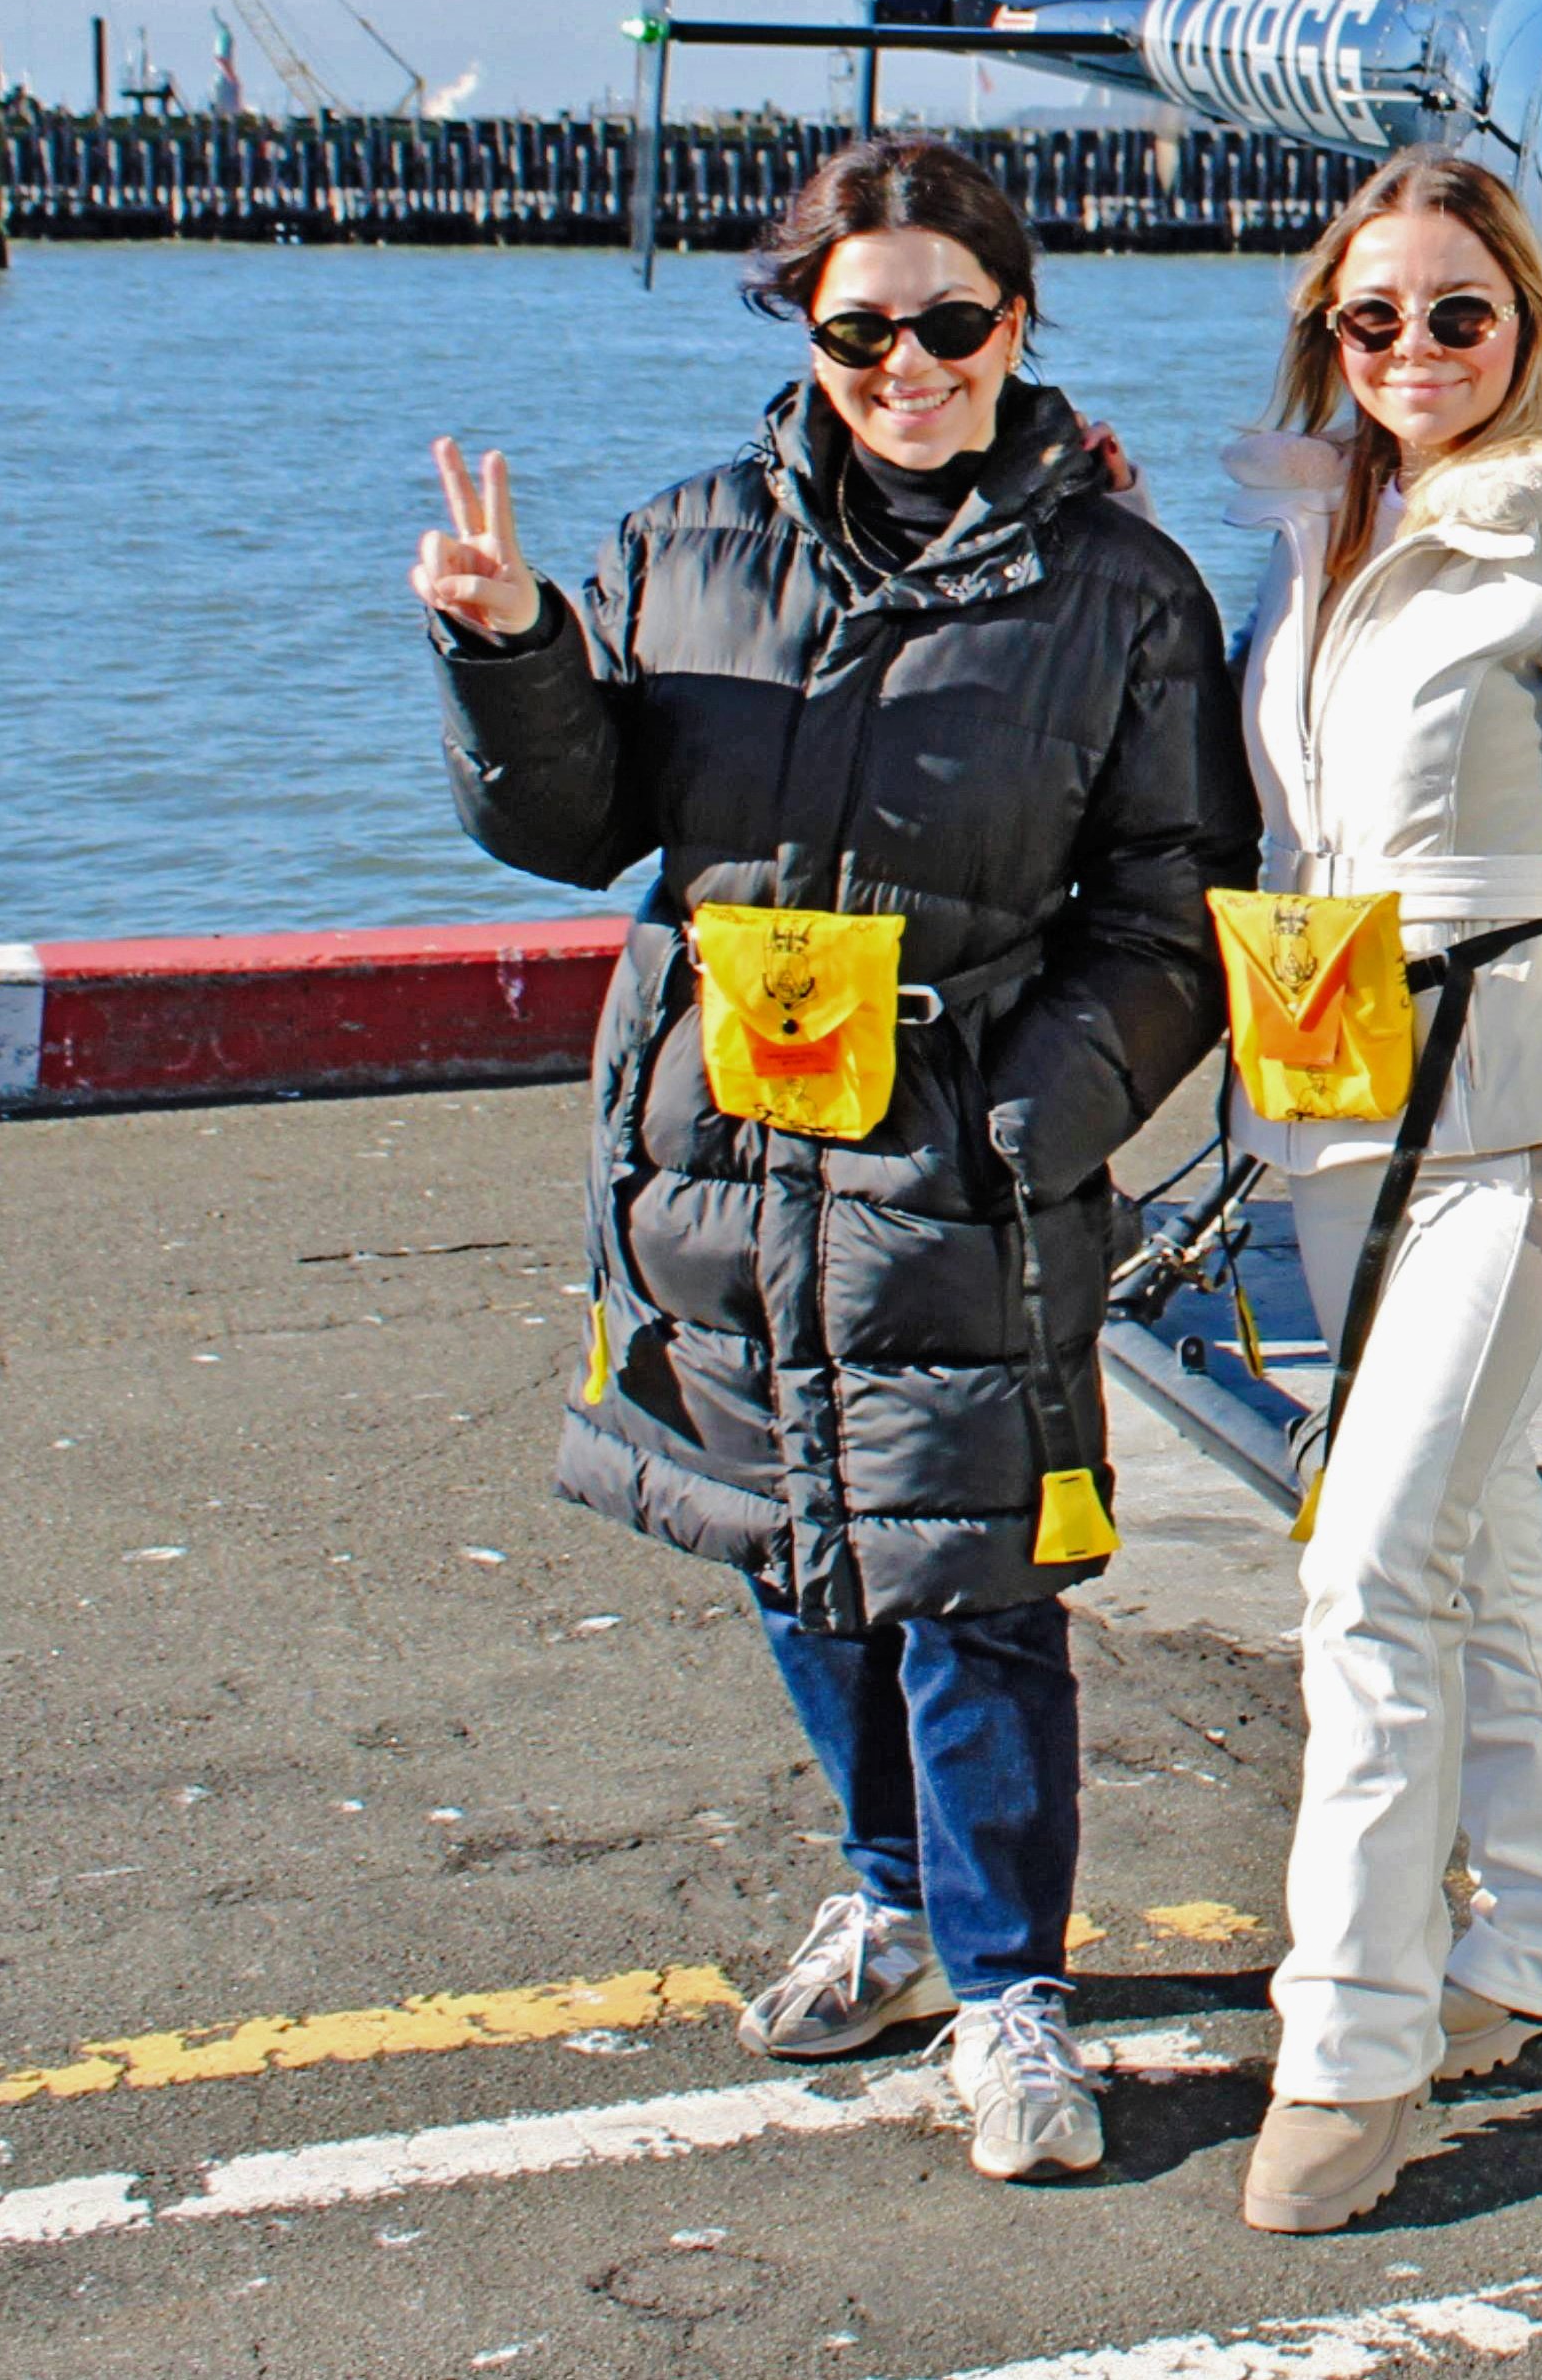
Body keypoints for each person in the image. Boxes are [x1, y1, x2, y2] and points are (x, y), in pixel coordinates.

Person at [409, 136, 1244, 2188]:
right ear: (807, 329)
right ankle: (887, 1895)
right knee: (788, 1548)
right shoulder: (681, 545)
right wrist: (516, 648)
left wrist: (1023, 1120)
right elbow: (572, 822)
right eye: (863, 327)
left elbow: (1174, 907)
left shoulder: (1120, 589)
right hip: (727, 1149)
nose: (911, 365)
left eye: (953, 322)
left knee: (976, 1589)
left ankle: (1012, 1987)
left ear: (1017, 320)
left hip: (958, 1158)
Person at [1207, 150, 1542, 2237]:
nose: (1412, 352)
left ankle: (1353, 2037)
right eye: (1372, 320)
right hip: (1337, 1112)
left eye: (1456, 316)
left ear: (1529, 327)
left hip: (1505, 1126)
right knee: (1482, 1546)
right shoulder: (1327, 531)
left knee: (1371, 1560)